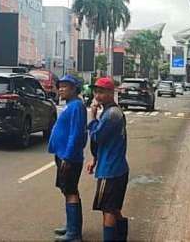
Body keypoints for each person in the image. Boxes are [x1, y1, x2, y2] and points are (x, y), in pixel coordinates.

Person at [87, 77, 129, 242]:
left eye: (102, 92)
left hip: (110, 170)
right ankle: (120, 237)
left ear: (111, 93)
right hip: (117, 168)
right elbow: (104, 143)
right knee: (114, 208)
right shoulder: (111, 112)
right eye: (96, 91)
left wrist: (92, 116)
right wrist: (95, 160)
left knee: (108, 210)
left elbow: (97, 136)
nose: (97, 95)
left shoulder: (111, 114)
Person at [48, 75, 88, 242]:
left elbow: (76, 133)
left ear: (74, 89)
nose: (61, 89)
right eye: (60, 86)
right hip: (63, 154)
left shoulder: (77, 106)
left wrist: (68, 156)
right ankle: (71, 226)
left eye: (66, 86)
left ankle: (74, 233)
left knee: (71, 191)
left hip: (69, 156)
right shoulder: (70, 105)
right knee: (67, 191)